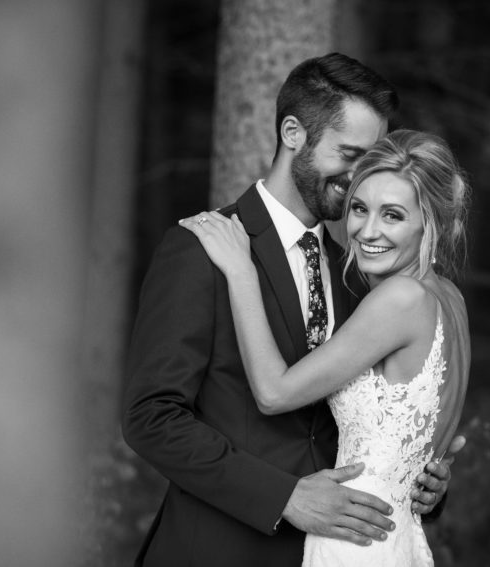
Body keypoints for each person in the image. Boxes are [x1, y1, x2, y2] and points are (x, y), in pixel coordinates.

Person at [122, 53, 463, 567]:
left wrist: (415, 478)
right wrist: (283, 497)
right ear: (293, 133)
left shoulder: (357, 271)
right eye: (350, 154)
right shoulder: (203, 248)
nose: (360, 177)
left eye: (371, 159)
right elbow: (151, 418)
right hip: (215, 550)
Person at [179, 129, 471, 566]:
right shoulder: (448, 298)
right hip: (392, 535)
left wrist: (242, 272)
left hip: (351, 538)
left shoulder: (399, 300)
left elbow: (274, 393)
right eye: (359, 208)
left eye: (392, 215)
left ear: (432, 223)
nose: (366, 230)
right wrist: (428, 481)